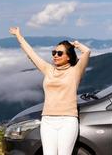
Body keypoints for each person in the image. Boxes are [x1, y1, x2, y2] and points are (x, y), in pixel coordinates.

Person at [9, 27, 91, 155]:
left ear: (68, 57)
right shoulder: (48, 69)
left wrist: (76, 45)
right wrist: (19, 36)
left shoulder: (75, 71)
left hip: (68, 120)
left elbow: (87, 52)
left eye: (59, 53)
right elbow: (31, 54)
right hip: (47, 120)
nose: (55, 56)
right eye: (53, 53)